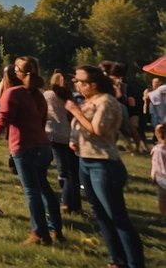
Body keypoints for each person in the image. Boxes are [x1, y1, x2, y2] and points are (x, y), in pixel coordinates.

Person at [64, 65, 146, 268]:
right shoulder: (87, 102)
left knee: (117, 216)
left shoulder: (107, 102)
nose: (76, 84)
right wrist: (75, 140)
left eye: (80, 81)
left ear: (93, 84)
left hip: (104, 164)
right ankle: (116, 259)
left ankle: (135, 263)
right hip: (85, 160)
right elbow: (82, 128)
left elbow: (98, 130)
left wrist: (75, 111)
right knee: (100, 215)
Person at [0, 59, 61, 245]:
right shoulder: (39, 95)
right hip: (43, 147)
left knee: (32, 191)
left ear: (18, 72)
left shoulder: (13, 94)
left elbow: (2, 120)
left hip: (24, 147)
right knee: (44, 188)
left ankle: (39, 233)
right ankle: (55, 229)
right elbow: (42, 121)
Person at [43, 71, 81, 214]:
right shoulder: (68, 96)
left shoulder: (47, 95)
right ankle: (74, 205)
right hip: (68, 135)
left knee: (64, 171)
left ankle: (66, 201)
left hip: (52, 133)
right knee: (73, 172)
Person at [151, 122, 166, 216]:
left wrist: (153, 176)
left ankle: (163, 213)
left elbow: (155, 165)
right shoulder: (159, 150)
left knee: (162, 197)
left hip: (161, 177)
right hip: (162, 177)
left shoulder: (158, 149)